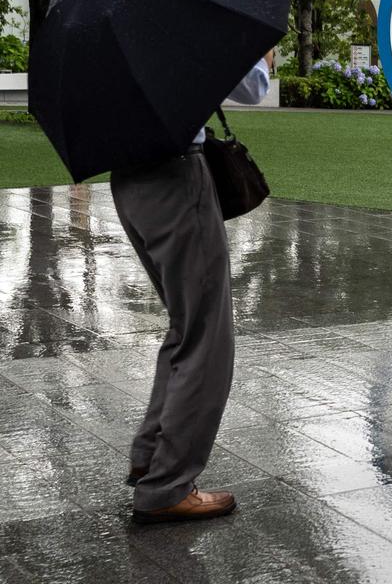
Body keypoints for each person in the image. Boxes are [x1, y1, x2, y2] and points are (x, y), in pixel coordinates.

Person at [112, 53, 272, 524]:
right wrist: (256, 53)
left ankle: (150, 457)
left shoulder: (111, 24)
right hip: (175, 176)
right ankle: (167, 486)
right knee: (207, 338)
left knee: (188, 325)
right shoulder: (176, 16)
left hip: (129, 179)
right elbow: (252, 87)